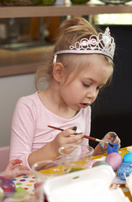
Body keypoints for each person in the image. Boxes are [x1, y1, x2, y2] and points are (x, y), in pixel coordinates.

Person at [9, 17, 121, 170]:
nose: (93, 95)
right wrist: (53, 149)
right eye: (87, 84)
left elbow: (79, 162)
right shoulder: (28, 107)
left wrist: (97, 152)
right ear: (59, 73)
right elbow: (15, 167)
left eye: (98, 87)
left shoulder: (84, 110)